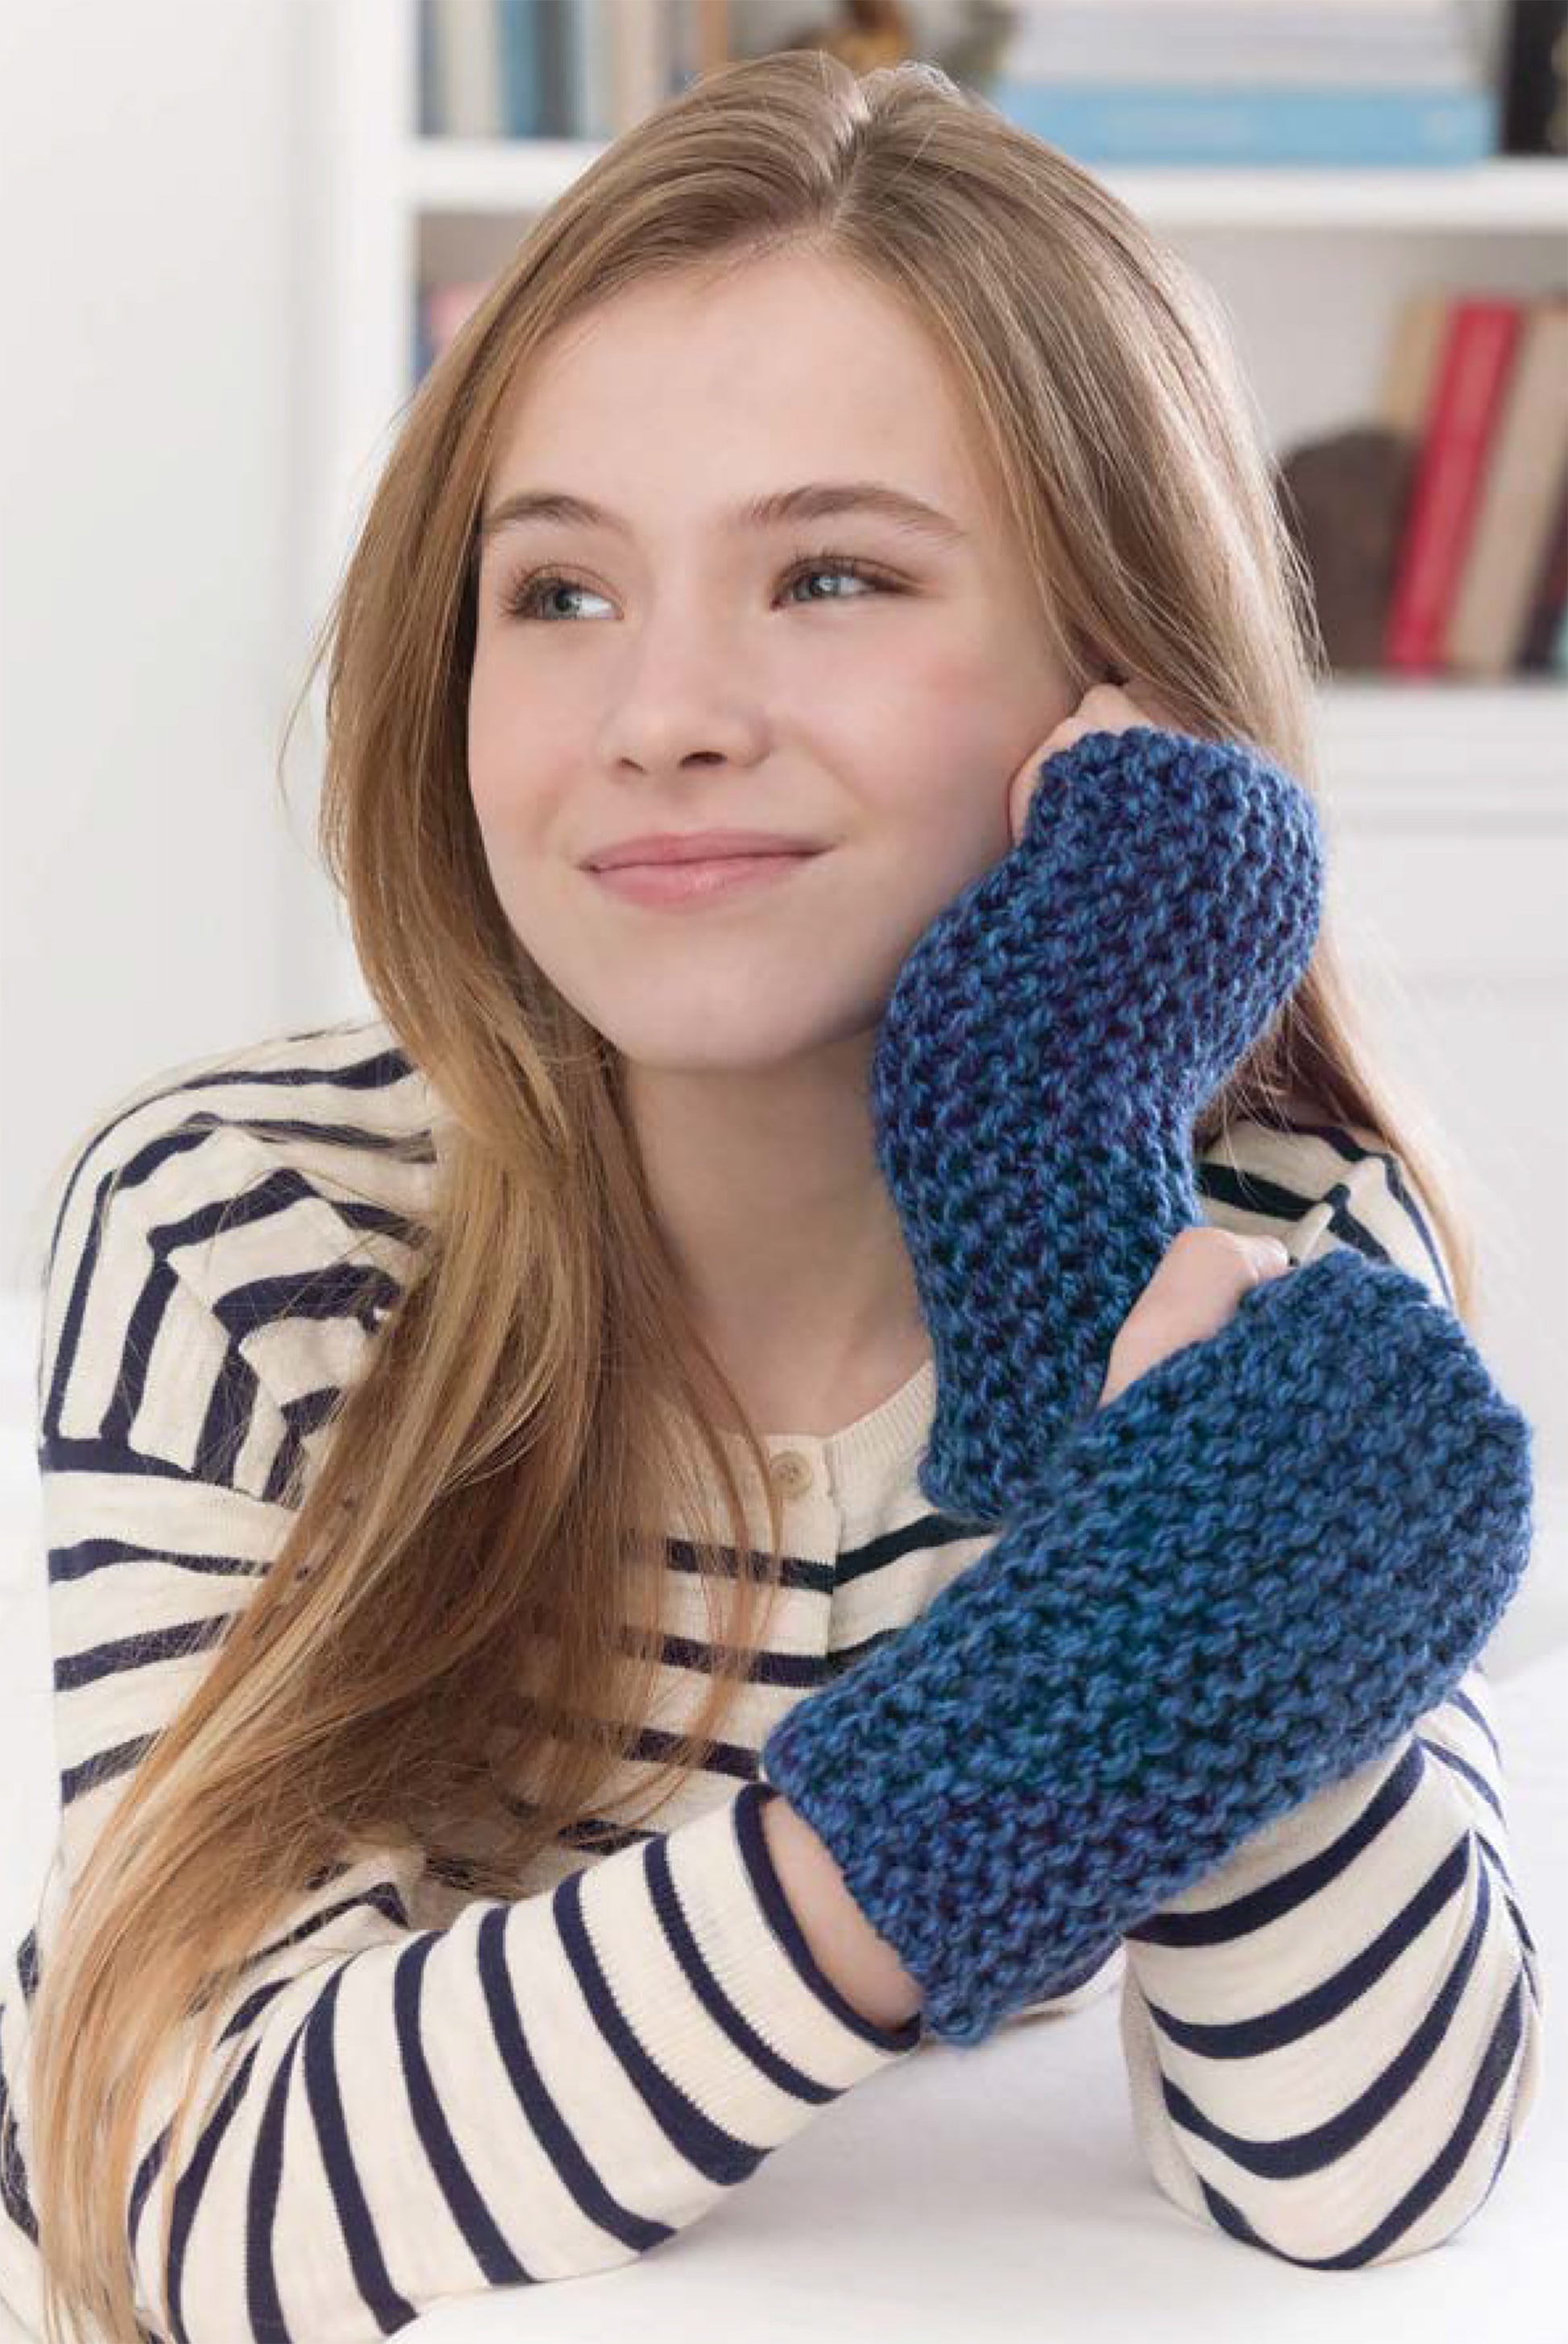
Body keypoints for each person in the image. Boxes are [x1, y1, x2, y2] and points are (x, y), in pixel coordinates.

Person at [0, 48, 1541, 2344]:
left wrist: (1066, 1192)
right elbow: (175, 2187)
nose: (666, 714)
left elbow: (1358, 2176)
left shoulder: (1274, 1253)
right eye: (559, 593)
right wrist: (969, 1803)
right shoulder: (245, 1239)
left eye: (828, 574)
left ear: (1116, 695)